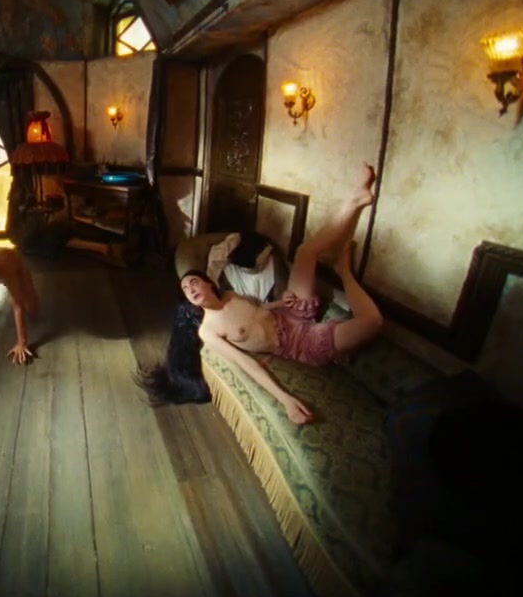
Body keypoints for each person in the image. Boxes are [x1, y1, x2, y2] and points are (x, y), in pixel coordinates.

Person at [156, 163, 384, 424]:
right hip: (300, 342)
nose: (191, 289)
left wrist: (280, 302)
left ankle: (356, 200)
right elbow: (247, 365)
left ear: (209, 284)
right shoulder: (208, 330)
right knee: (373, 321)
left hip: (289, 312)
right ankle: (344, 271)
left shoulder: (230, 296)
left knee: (304, 252)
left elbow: (260, 310)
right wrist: (285, 399)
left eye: (194, 282)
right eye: (186, 290)